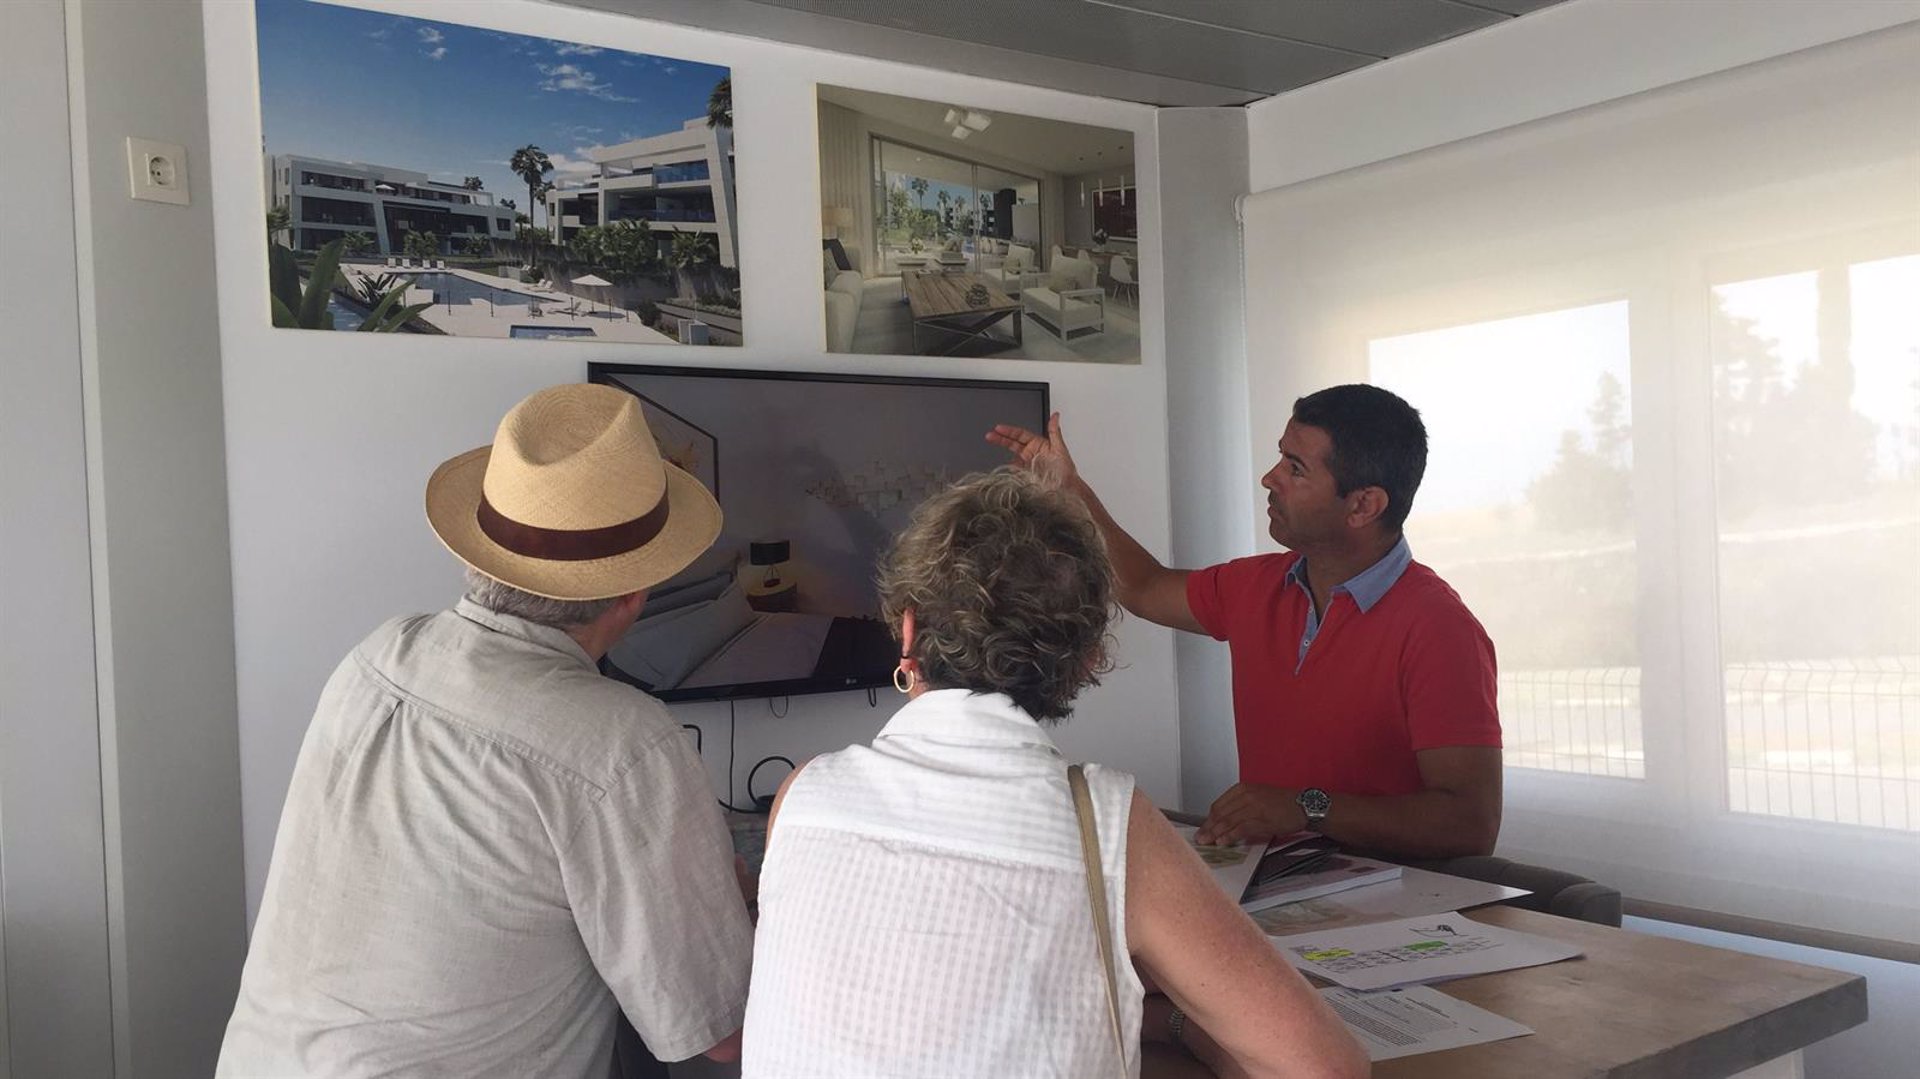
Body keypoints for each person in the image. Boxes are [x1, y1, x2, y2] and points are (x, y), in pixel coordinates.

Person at [740, 469, 1367, 1079]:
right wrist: (1180, 1025)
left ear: (908, 631)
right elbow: (1327, 1068)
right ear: (1087, 660)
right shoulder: (1107, 824)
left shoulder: (801, 795)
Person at [217, 384, 753, 1077]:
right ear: (633, 593)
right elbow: (720, 1031)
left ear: (480, 554)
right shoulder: (622, 743)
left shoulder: (380, 652)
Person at [989, 385, 1501, 859]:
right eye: (1280, 456)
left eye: (1295, 468)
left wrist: (1309, 807)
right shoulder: (1257, 585)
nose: (1269, 478)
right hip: (1271, 882)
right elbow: (1143, 587)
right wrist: (1068, 488)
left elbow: (1470, 823)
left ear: (1364, 505)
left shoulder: (1440, 629)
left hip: (1397, 906)